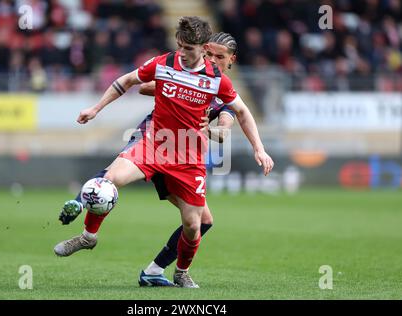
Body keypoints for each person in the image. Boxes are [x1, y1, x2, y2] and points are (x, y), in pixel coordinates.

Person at [54, 17, 274, 288]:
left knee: (196, 224)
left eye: (189, 48)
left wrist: (256, 148)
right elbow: (131, 81)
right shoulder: (164, 63)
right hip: (155, 143)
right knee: (108, 180)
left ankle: (174, 272)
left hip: (188, 158)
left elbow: (237, 114)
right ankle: (88, 235)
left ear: (223, 57)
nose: (182, 52)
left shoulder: (218, 83)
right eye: (179, 46)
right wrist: (96, 109)